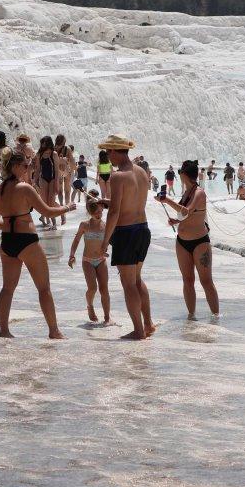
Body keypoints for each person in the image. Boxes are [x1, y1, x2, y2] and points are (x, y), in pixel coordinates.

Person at [0, 150, 77, 338]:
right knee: (44, 288)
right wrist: (67, 208)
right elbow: (47, 212)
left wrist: (10, 223)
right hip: (27, 242)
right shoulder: (25, 188)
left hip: (7, 242)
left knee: (7, 288)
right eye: (25, 165)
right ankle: (54, 331)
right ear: (14, 167)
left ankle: (4, 330)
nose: (28, 168)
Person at [93, 134, 154, 340]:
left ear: (117, 151)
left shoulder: (118, 176)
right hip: (143, 229)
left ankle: (138, 330)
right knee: (137, 280)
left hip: (126, 233)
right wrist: (107, 201)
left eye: (109, 151)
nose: (107, 155)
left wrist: (103, 242)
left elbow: (115, 213)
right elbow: (131, 201)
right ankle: (148, 324)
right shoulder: (141, 172)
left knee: (128, 284)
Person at [158, 159, 219, 319]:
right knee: (188, 280)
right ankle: (191, 316)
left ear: (184, 175)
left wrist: (167, 200)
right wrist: (176, 221)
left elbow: (186, 211)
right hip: (182, 241)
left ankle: (216, 316)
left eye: (180, 173)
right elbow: (183, 215)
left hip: (200, 242)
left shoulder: (199, 192)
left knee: (206, 281)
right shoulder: (187, 192)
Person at [68, 191, 112, 325]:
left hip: (101, 260)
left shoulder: (106, 225)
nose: (99, 215)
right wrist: (71, 255)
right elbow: (76, 240)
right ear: (90, 213)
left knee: (104, 289)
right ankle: (90, 306)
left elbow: (109, 241)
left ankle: (107, 317)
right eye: (97, 213)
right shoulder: (84, 225)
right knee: (92, 288)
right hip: (87, 260)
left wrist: (106, 251)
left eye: (101, 212)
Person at [35, 135, 60, 229]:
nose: (42, 145)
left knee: (51, 201)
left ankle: (54, 223)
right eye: (42, 143)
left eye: (44, 143)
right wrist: (35, 181)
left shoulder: (54, 154)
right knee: (44, 201)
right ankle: (46, 219)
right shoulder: (39, 154)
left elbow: (57, 171)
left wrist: (57, 184)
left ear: (49, 143)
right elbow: (37, 169)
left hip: (53, 179)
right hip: (43, 178)